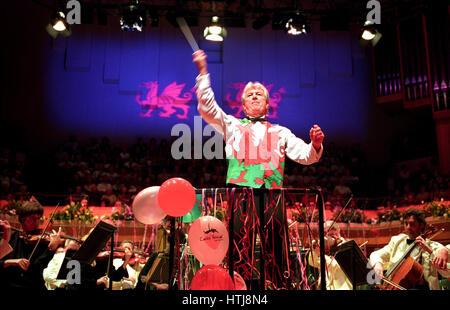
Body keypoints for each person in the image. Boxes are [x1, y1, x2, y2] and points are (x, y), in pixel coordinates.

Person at [193, 49, 324, 289]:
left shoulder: (281, 132)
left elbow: (306, 155)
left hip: (272, 195)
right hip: (240, 193)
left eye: (259, 94)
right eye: (250, 95)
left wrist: (315, 144)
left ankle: (278, 287)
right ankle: (238, 291)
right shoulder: (232, 125)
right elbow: (207, 108)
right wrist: (203, 72)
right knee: (239, 247)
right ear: (243, 105)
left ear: (267, 104)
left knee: (276, 246)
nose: (254, 97)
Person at [369, 208, 449, 290]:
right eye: (406, 223)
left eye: (412, 224)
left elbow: (447, 273)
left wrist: (433, 251)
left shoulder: (432, 246)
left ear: (421, 225)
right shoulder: (397, 241)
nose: (408, 227)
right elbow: (375, 254)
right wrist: (378, 264)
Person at [0, 201, 63, 289]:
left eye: (38, 218)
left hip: (32, 286)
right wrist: (11, 262)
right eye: (33, 218)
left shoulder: (41, 242)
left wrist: (51, 249)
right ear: (22, 218)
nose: (37, 222)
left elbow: (35, 269)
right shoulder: (10, 238)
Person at [308, 220, 352, 290]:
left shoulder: (346, 246)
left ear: (335, 231)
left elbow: (335, 266)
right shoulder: (327, 246)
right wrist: (314, 250)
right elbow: (312, 262)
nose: (324, 236)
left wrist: (320, 254)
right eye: (323, 233)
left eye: (326, 233)